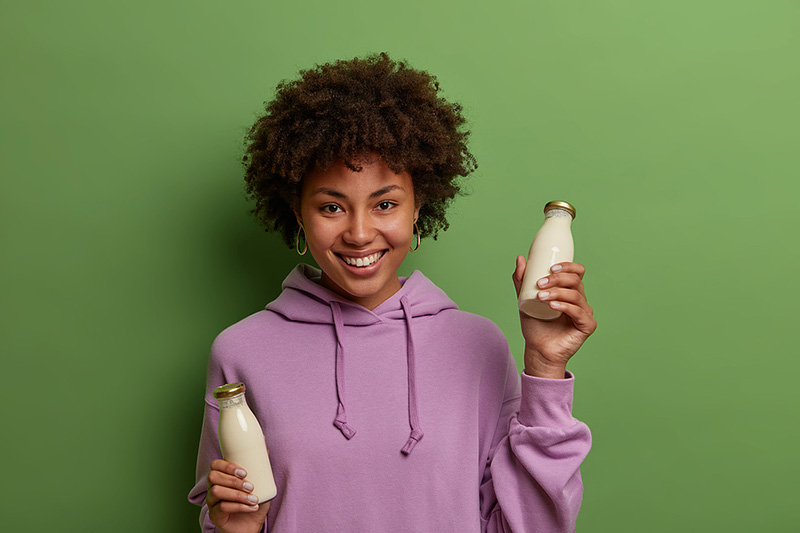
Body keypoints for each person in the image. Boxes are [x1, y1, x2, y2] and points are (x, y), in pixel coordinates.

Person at [188, 53, 596, 533]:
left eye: (384, 203)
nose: (360, 233)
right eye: (331, 207)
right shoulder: (242, 352)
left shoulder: (480, 346)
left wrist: (546, 367)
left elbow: (531, 526)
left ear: (418, 205)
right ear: (297, 212)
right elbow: (233, 518)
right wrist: (235, 526)